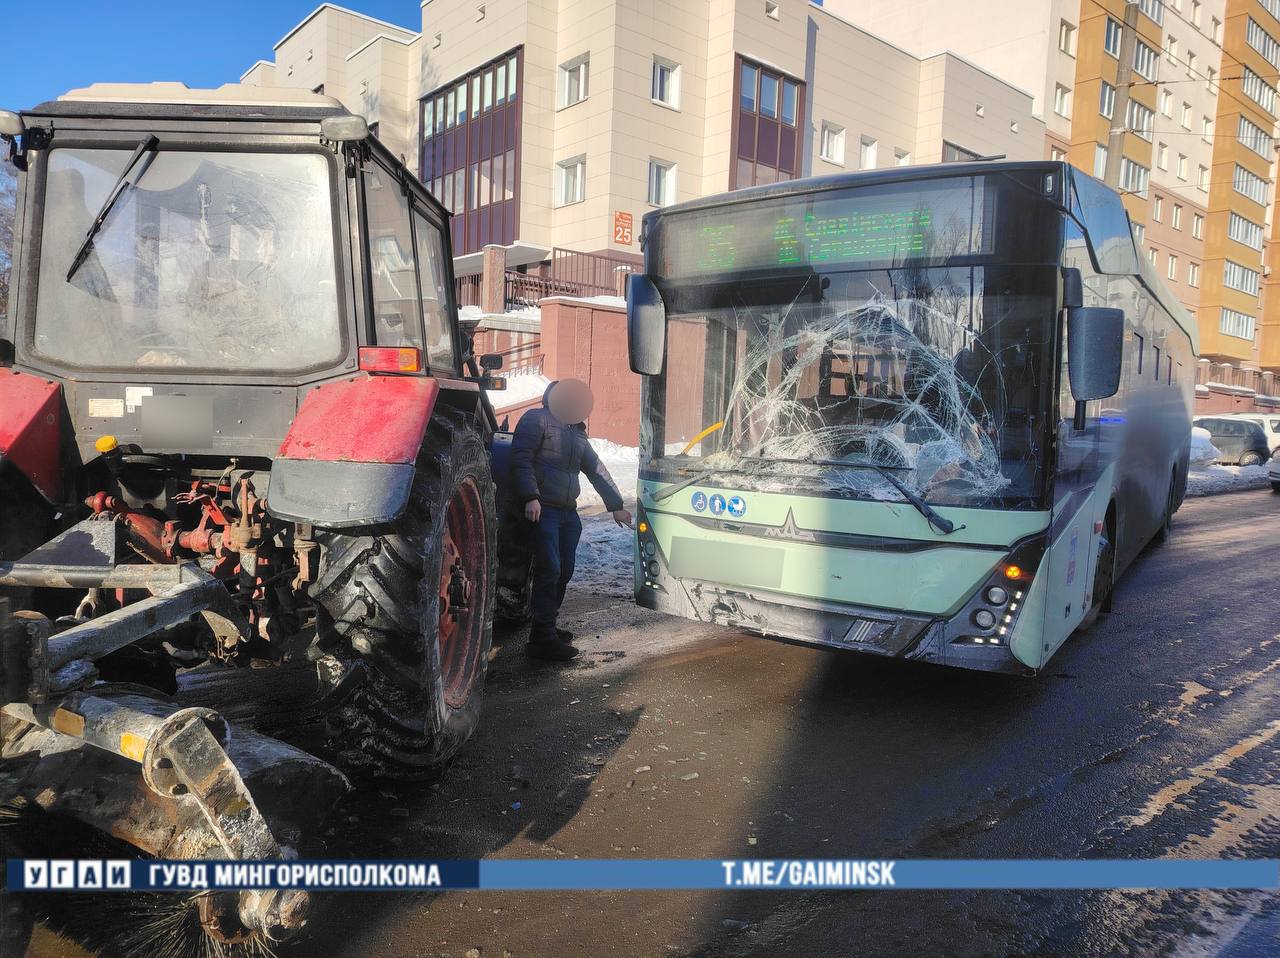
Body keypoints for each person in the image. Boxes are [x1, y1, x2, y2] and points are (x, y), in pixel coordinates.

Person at [510, 379, 632, 660]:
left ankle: (547, 625)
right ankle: (541, 639)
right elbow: (521, 459)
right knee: (549, 569)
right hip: (543, 509)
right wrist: (531, 497)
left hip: (567, 512)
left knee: (564, 570)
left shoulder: (577, 433)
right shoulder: (536, 419)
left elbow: (596, 470)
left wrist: (615, 505)